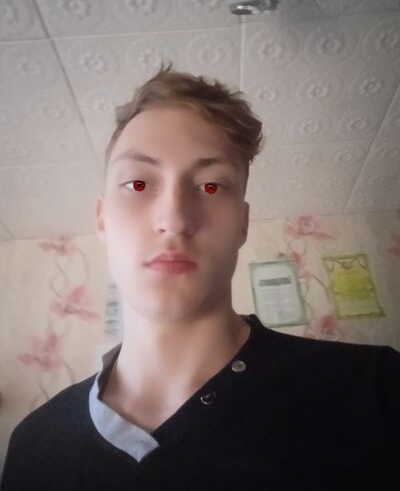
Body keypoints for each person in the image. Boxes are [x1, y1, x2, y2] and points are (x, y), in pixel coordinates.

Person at [1, 63, 399, 490]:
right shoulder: (33, 447)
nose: (174, 220)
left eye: (211, 186)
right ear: (102, 218)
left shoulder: (378, 391)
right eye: (138, 184)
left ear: (242, 223)